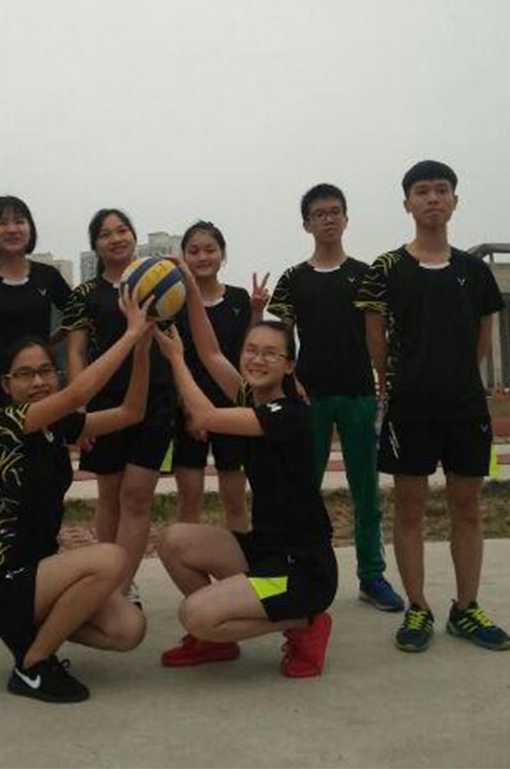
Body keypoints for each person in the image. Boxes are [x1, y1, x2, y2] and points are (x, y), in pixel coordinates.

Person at [355, 160, 510, 652]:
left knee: (467, 506)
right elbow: (374, 333)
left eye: (442, 190)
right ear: (407, 203)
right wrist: (395, 381)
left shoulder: (474, 271)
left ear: (455, 201)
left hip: (465, 407)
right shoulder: (386, 268)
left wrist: (457, 378)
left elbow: (482, 336)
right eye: (422, 191)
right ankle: (418, 607)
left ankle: (466, 608)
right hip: (409, 407)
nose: (432, 198)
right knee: (409, 508)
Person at [155, 261, 337, 678]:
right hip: (264, 549)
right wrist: (190, 288)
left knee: (195, 614)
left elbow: (203, 416)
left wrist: (176, 359)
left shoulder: (289, 414)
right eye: (251, 350)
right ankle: (218, 641)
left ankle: (306, 622)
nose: (257, 359)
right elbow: (210, 351)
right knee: (174, 540)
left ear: (289, 366)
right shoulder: (249, 397)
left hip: (300, 568)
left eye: (271, 353)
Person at [0, 288, 151, 703]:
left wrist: (142, 349)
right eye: (25, 374)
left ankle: (35, 637)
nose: (38, 381)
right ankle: (33, 665)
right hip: (0, 584)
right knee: (112, 558)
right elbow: (78, 395)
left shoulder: (58, 426)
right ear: (6, 384)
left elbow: (131, 413)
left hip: (39, 576)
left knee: (128, 629)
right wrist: (129, 333)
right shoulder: (4, 424)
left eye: (45, 371)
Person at [268, 184, 404, 612]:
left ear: (346, 218)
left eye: (335, 212)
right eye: (319, 213)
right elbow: (281, 338)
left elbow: (376, 333)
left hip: (358, 393)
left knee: (366, 492)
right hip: (309, 397)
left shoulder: (367, 274)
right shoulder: (293, 279)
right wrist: (288, 382)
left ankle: (372, 576)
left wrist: (383, 382)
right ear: (306, 224)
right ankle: (303, 573)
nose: (328, 219)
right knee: (302, 491)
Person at [63, 209, 176, 606]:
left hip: (156, 398)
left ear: (133, 235)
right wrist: (80, 409)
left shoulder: (158, 284)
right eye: (105, 234)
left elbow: (176, 339)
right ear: (95, 245)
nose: (116, 238)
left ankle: (124, 585)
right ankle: (107, 581)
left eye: (122, 230)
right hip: (105, 402)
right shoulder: (85, 294)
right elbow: (75, 352)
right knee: (110, 495)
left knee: (138, 496)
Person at [0, 196, 71, 561]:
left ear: (30, 228)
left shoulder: (48, 277)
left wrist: (49, 348)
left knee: (46, 487)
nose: (12, 229)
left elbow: (78, 318)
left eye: (19, 221)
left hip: (41, 397)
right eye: (2, 222)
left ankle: (41, 568)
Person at [173, 220, 268, 530]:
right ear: (184, 257)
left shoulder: (239, 298)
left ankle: (240, 559)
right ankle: (190, 560)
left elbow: (250, 351)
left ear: (222, 254)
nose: (202, 257)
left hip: (233, 410)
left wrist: (257, 311)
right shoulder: (173, 303)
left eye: (210, 250)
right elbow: (172, 359)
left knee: (235, 502)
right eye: (194, 251)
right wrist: (189, 408)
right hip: (188, 412)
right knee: (189, 502)